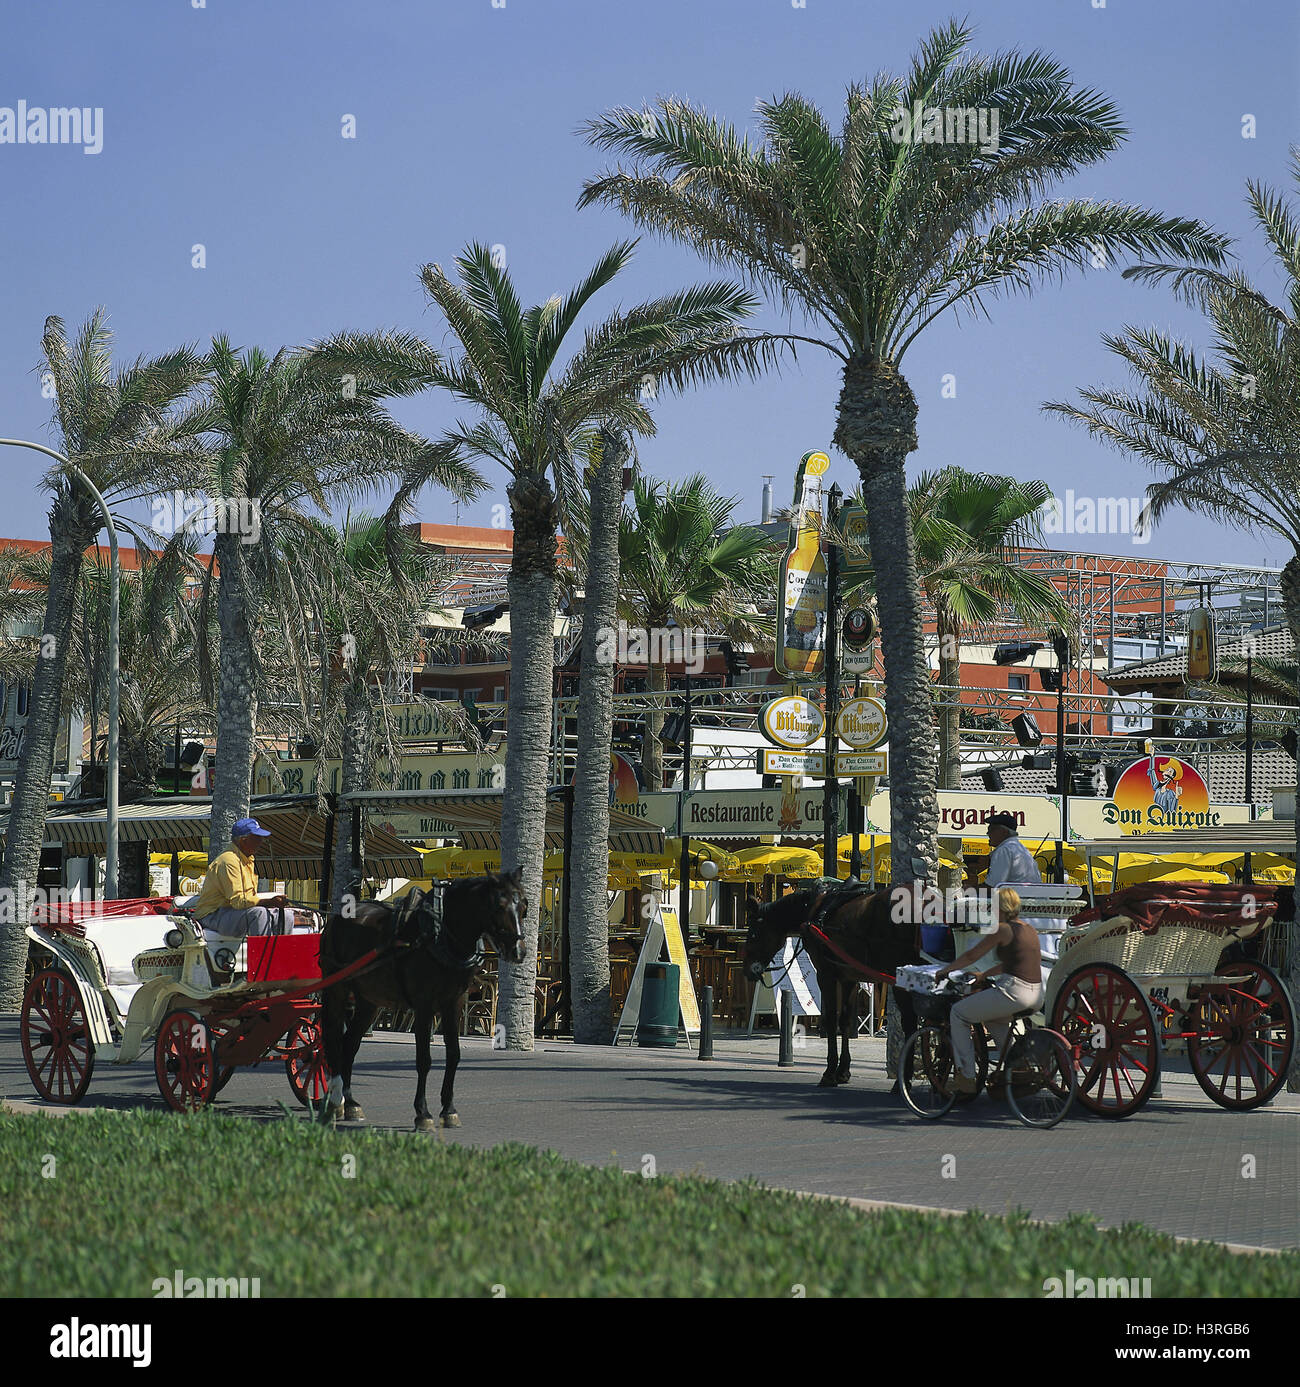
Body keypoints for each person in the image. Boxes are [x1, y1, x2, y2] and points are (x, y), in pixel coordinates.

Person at [935, 887, 1045, 1094]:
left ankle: (966, 1076)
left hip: (1015, 992)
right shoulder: (1029, 929)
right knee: (994, 1018)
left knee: (958, 1014)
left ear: (1000, 907)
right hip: (1036, 995)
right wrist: (984, 976)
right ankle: (1017, 1066)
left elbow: (971, 956)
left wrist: (945, 970)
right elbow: (1011, 963)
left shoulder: (1002, 929)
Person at [985, 810, 1062, 968]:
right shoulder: (1021, 850)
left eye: (992, 829)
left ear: (1004, 832)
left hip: (1015, 911)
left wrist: (966, 890)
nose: (987, 832)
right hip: (1031, 909)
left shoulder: (1004, 850)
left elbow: (992, 887)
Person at [192, 817, 291, 938]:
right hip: (213, 915)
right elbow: (239, 901)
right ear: (243, 841)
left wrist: (273, 903)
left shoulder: (247, 859)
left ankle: (282, 955)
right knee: (259, 914)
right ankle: (260, 956)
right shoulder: (229, 861)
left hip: (233, 912)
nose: (261, 842)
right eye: (257, 838)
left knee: (287, 916)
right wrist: (269, 902)